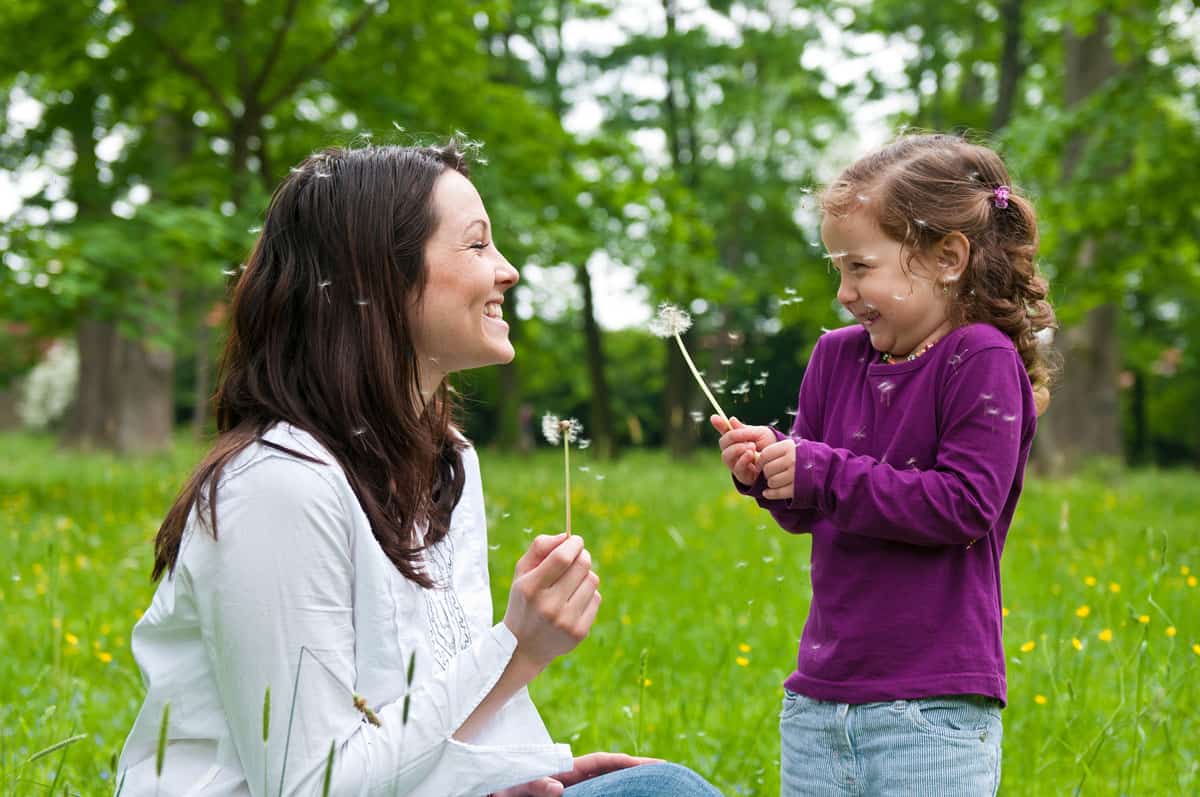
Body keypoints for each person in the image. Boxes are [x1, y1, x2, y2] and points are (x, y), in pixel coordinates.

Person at [117, 142, 722, 797]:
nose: (508, 270)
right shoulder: (277, 486)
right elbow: (310, 787)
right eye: (477, 245)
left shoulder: (447, 460)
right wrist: (517, 647)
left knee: (659, 788)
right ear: (382, 277)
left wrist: (515, 772)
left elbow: (417, 712)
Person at [713, 133, 1056, 796]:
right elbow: (812, 506)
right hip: (819, 700)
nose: (844, 291)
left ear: (946, 258)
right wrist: (772, 470)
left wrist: (818, 470)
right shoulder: (836, 359)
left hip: (930, 708)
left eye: (860, 266)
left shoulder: (978, 358)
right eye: (837, 268)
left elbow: (961, 506)